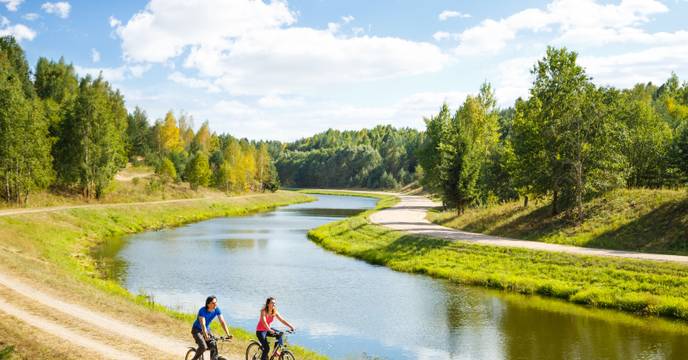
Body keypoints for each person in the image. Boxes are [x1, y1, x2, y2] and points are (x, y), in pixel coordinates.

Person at [191, 295, 231, 360]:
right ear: (208, 304)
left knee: (213, 344)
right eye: (213, 303)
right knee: (203, 347)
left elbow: (222, 322)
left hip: (207, 329)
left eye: (216, 302)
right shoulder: (202, 311)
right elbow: (203, 325)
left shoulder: (216, 309)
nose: (215, 304)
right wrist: (206, 336)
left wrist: (228, 334)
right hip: (196, 330)